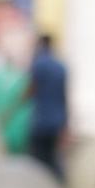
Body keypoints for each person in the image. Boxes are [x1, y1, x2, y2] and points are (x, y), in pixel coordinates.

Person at [26, 33, 68, 177]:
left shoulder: (39, 64)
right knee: (53, 158)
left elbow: (31, 89)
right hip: (57, 120)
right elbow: (64, 96)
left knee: (39, 161)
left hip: (41, 121)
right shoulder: (61, 66)